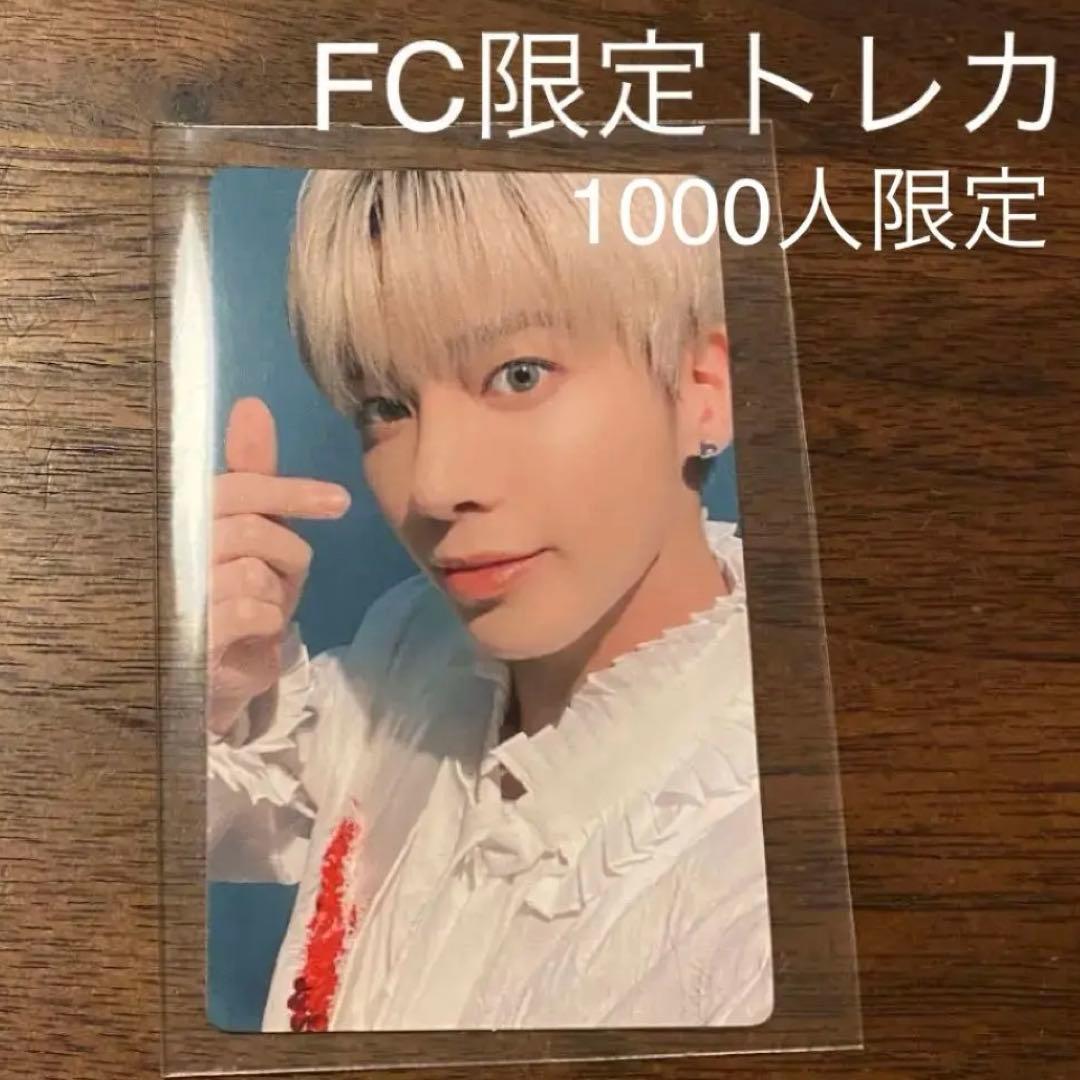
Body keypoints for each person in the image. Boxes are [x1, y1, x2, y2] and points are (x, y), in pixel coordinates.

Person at [207, 169, 773, 1031]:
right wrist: (213, 690)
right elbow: (233, 810)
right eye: (385, 405)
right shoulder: (413, 648)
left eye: (519, 375)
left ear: (704, 387)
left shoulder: (761, 891)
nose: (433, 485)